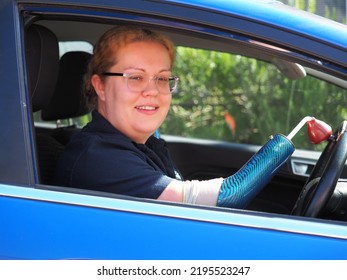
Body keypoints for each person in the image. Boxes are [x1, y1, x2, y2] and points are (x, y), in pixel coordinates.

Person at [54, 26, 294, 208]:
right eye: (135, 77)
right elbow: (227, 196)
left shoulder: (139, 142)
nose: (153, 91)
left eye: (161, 78)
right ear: (101, 86)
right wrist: (284, 144)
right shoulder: (97, 158)